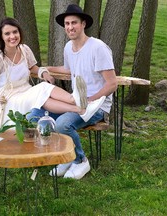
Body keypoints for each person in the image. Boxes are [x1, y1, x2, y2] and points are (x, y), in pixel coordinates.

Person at [27, 4, 118, 180]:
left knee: (62, 124)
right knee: (34, 116)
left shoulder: (98, 47)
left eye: (74, 23)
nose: (70, 27)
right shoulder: (69, 47)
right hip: (75, 101)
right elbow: (68, 69)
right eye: (67, 24)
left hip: (97, 105)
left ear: (83, 24)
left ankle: (80, 160)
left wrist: (91, 99)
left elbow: (112, 84)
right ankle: (66, 156)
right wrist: (45, 68)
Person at [0, 17, 103, 130]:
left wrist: (43, 72)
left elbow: (33, 68)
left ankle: (78, 104)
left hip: (26, 91)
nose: (12, 36)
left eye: (15, 32)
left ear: (19, 32)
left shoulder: (24, 49)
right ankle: (78, 104)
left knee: (42, 95)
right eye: (7, 34)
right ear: (1, 37)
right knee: (41, 90)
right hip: (8, 99)